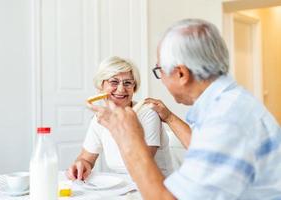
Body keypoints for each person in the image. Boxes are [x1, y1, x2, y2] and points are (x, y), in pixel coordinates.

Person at [89, 19, 281, 199]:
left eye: (160, 71)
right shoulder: (227, 103)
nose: (161, 80)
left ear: (181, 74)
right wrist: (170, 118)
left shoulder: (226, 119)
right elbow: (202, 147)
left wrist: (129, 137)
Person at [66, 56, 173, 181]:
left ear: (134, 88)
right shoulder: (100, 118)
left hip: (157, 186)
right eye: (114, 82)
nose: (121, 89)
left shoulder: (148, 113)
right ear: (101, 87)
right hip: (124, 186)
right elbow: (85, 158)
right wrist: (81, 164)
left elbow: (142, 166)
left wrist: (115, 125)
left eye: (127, 83)